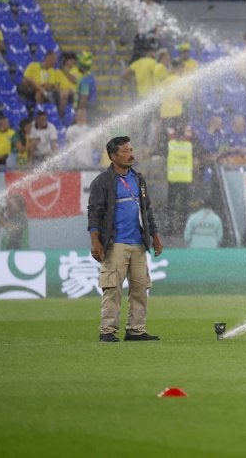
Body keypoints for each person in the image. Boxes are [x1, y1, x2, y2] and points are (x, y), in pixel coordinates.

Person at [87, 136, 162, 342]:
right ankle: (107, 331)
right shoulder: (102, 182)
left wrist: (154, 235)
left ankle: (136, 330)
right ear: (113, 156)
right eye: (126, 151)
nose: (131, 154)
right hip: (115, 243)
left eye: (131, 149)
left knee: (140, 289)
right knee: (112, 289)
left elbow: (146, 211)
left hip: (139, 243)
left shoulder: (138, 179)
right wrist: (95, 241)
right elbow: (94, 213)